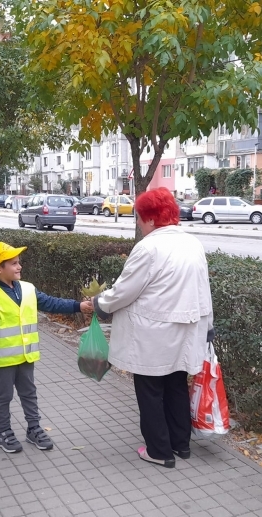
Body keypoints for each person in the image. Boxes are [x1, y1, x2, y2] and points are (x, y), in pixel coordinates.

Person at [91, 188, 214, 469]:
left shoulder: (148, 247)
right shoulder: (192, 243)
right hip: (186, 331)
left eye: (139, 218)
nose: (138, 223)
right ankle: (180, 445)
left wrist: (100, 303)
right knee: (175, 386)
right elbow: (204, 289)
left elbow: (124, 291)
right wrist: (208, 325)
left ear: (149, 219)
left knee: (150, 390)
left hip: (152, 335)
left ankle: (159, 450)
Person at [0, 243, 93, 454]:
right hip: (4, 360)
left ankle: (34, 428)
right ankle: (3, 431)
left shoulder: (28, 288)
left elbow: (50, 303)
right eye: (14, 263)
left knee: (29, 392)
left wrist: (78, 306)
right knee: (5, 395)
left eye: (19, 262)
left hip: (27, 356)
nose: (19, 266)